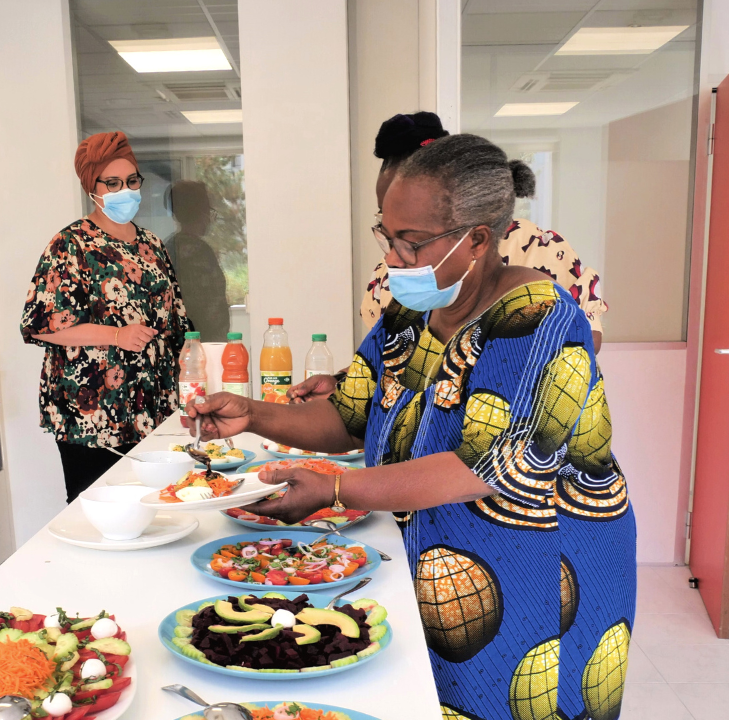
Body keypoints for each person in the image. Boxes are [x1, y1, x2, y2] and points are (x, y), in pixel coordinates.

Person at [187, 134, 636, 720]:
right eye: (388, 236)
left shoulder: (539, 319)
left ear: (477, 239)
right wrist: (255, 415)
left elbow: (483, 466)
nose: (393, 258)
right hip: (437, 564)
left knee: (514, 701)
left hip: (539, 573)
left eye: (412, 242)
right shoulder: (411, 314)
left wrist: (336, 490)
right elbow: (351, 413)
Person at [289, 112, 607, 403]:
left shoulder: (537, 249)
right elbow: (391, 368)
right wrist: (343, 386)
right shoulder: (386, 281)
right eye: (386, 217)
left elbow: (581, 344)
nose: (395, 247)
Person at [21, 131, 190, 503]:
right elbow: (41, 323)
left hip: (155, 406)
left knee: (162, 504)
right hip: (92, 411)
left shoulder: (151, 245)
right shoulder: (71, 244)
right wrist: (116, 335)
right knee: (97, 510)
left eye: (131, 182)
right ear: (91, 187)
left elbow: (177, 319)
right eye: (112, 183)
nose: (124, 191)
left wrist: (193, 365)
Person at [164, 180, 230, 342]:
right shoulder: (198, 252)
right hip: (203, 346)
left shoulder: (168, 247)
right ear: (201, 213)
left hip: (178, 344)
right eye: (209, 210)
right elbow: (211, 311)